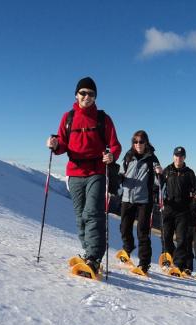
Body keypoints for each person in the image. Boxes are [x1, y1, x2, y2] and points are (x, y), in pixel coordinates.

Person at [46, 77, 121, 274]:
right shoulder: (68, 117)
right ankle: (88, 252)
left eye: (91, 94)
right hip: (74, 173)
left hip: (96, 170)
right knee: (80, 217)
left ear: (96, 97)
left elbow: (115, 145)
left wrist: (112, 155)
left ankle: (94, 258)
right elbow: (62, 144)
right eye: (83, 93)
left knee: (92, 213)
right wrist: (54, 145)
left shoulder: (103, 119)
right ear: (76, 95)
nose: (87, 97)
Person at [119, 130, 162, 274]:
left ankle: (144, 263)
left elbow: (158, 180)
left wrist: (159, 174)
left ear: (146, 143)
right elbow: (123, 172)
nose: (138, 144)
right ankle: (127, 249)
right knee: (124, 227)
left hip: (144, 199)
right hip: (127, 197)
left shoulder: (152, 158)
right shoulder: (128, 156)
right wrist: (118, 179)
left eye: (141, 141)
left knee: (142, 231)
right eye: (135, 141)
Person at [161, 147, 196, 274]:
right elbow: (158, 185)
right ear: (173, 156)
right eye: (176, 155)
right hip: (168, 208)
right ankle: (169, 259)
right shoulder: (167, 170)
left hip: (183, 210)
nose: (178, 158)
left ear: (184, 157)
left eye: (181, 156)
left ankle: (178, 265)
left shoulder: (189, 172)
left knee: (181, 239)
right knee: (166, 237)